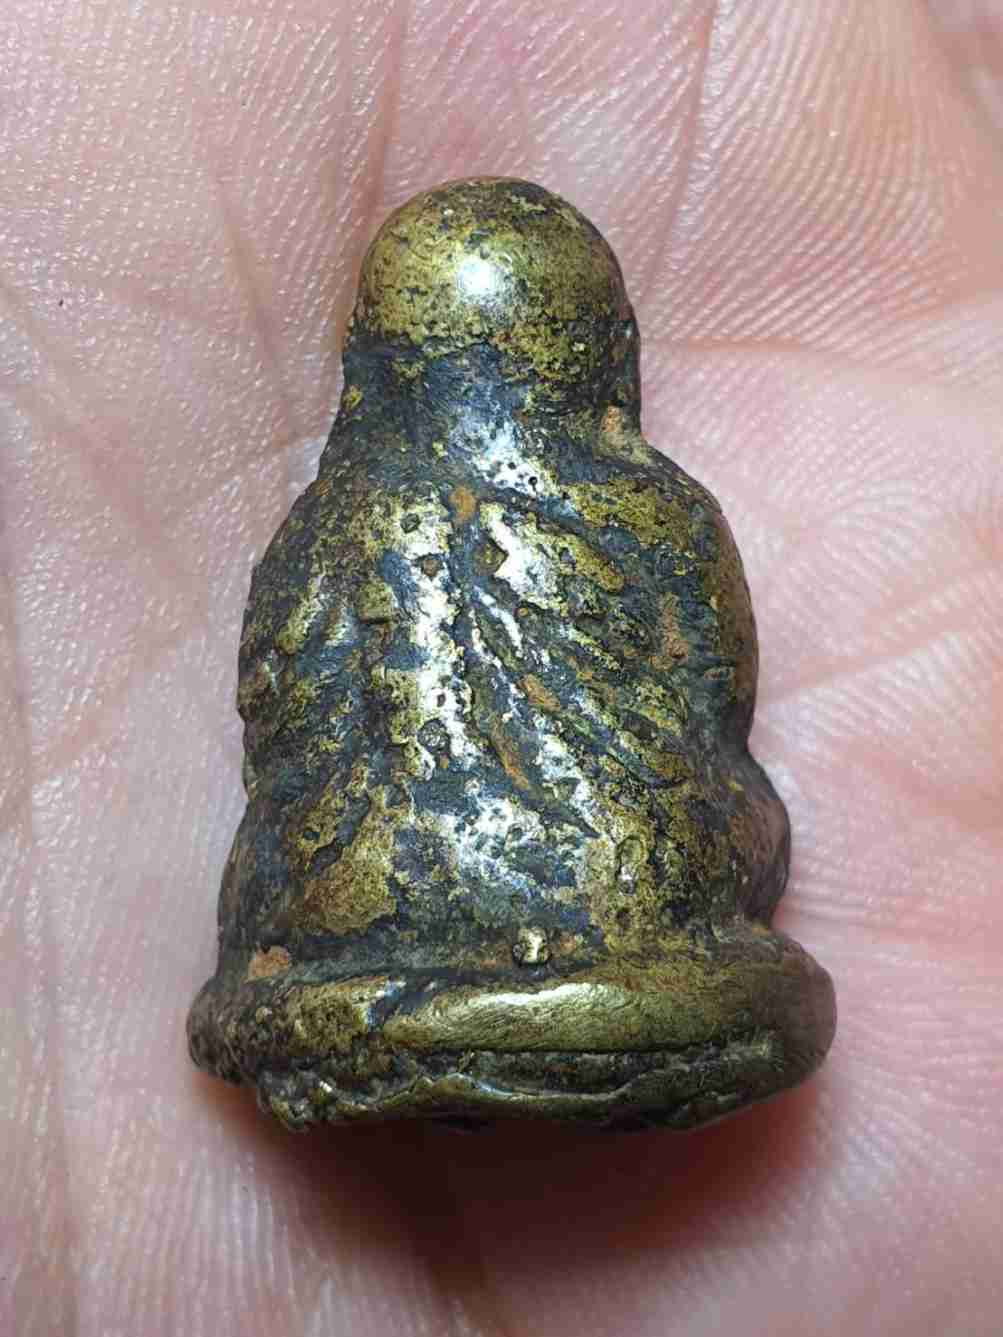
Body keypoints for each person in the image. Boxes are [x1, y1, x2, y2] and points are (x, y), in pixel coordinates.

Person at [4, 2, 1002, 1333]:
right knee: (732, 827)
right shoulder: (656, 509)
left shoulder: (318, 527)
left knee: (293, 857)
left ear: (371, 371)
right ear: (603, 353)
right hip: (619, 895)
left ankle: (376, 1005)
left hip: (344, 929)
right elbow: (713, 713)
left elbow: (279, 729)